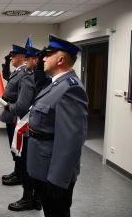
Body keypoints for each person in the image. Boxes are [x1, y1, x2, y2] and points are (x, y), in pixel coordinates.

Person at [27, 34, 88, 217]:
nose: (43, 58)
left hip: (54, 172)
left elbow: (71, 140)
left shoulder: (70, 88)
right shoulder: (55, 84)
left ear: (61, 59)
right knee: (50, 210)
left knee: (57, 213)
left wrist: (58, 178)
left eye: (48, 54)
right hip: (43, 164)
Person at [7, 46, 42, 212]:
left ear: (34, 60)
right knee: (36, 164)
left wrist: (9, 107)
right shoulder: (45, 78)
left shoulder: (29, 78)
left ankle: (28, 198)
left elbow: (21, 105)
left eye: (28, 59)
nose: (26, 62)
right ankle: (37, 199)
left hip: (28, 126)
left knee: (29, 164)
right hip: (40, 126)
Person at [0, 44, 29, 186]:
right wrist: (6, 63)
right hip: (10, 113)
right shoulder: (18, 71)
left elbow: (22, 97)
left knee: (17, 146)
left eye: (13, 55)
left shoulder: (24, 73)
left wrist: (10, 106)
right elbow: (7, 76)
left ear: (22, 57)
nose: (11, 58)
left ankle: (20, 174)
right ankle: (17, 171)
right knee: (14, 146)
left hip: (16, 114)